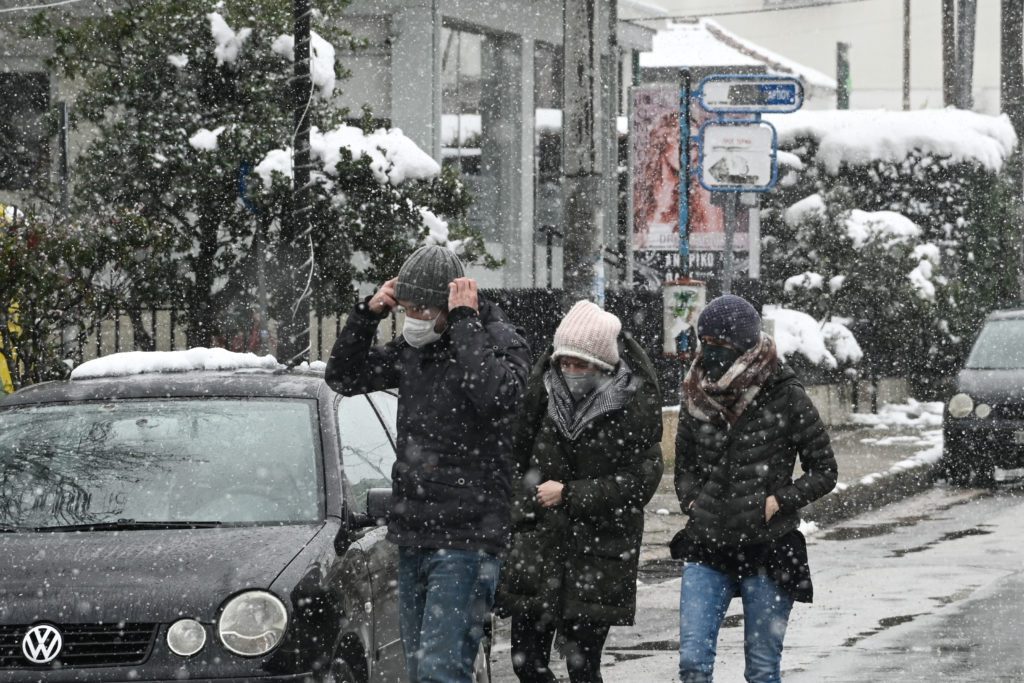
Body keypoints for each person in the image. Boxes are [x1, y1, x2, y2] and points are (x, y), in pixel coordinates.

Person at [324, 245, 531, 683]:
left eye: (422, 309)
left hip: (467, 537)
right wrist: (368, 314)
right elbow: (344, 376)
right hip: (413, 531)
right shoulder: (415, 349)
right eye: (406, 308)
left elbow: (496, 397)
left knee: (442, 672)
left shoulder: (496, 341)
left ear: (451, 304)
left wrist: (464, 324)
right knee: (422, 672)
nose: (412, 318)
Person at [495, 300, 664, 683]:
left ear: (604, 365)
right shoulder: (541, 394)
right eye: (565, 362)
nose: (571, 371)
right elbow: (512, 460)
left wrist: (570, 493)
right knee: (526, 664)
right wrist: (525, 506)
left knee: (583, 669)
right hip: (538, 550)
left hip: (598, 554)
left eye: (582, 364)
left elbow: (640, 481)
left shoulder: (631, 404)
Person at [672, 295, 838, 683]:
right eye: (705, 343)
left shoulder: (785, 393)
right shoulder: (696, 390)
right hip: (707, 542)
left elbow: (825, 470)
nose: (710, 354)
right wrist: (693, 501)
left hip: (769, 547)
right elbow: (684, 466)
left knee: (762, 670)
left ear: (745, 348)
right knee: (693, 665)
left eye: (721, 347)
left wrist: (780, 500)